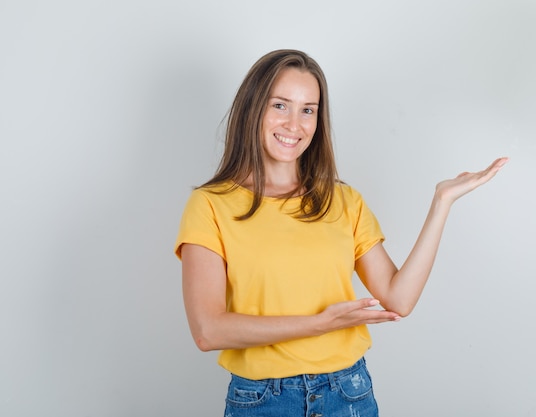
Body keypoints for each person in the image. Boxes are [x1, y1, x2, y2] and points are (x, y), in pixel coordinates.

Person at [174, 49, 508, 417]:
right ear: (253, 109)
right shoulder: (210, 204)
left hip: (347, 394)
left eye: (308, 110)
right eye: (280, 105)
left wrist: (441, 203)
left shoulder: (343, 200)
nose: (294, 124)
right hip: (262, 400)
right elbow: (208, 330)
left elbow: (399, 299)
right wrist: (318, 325)